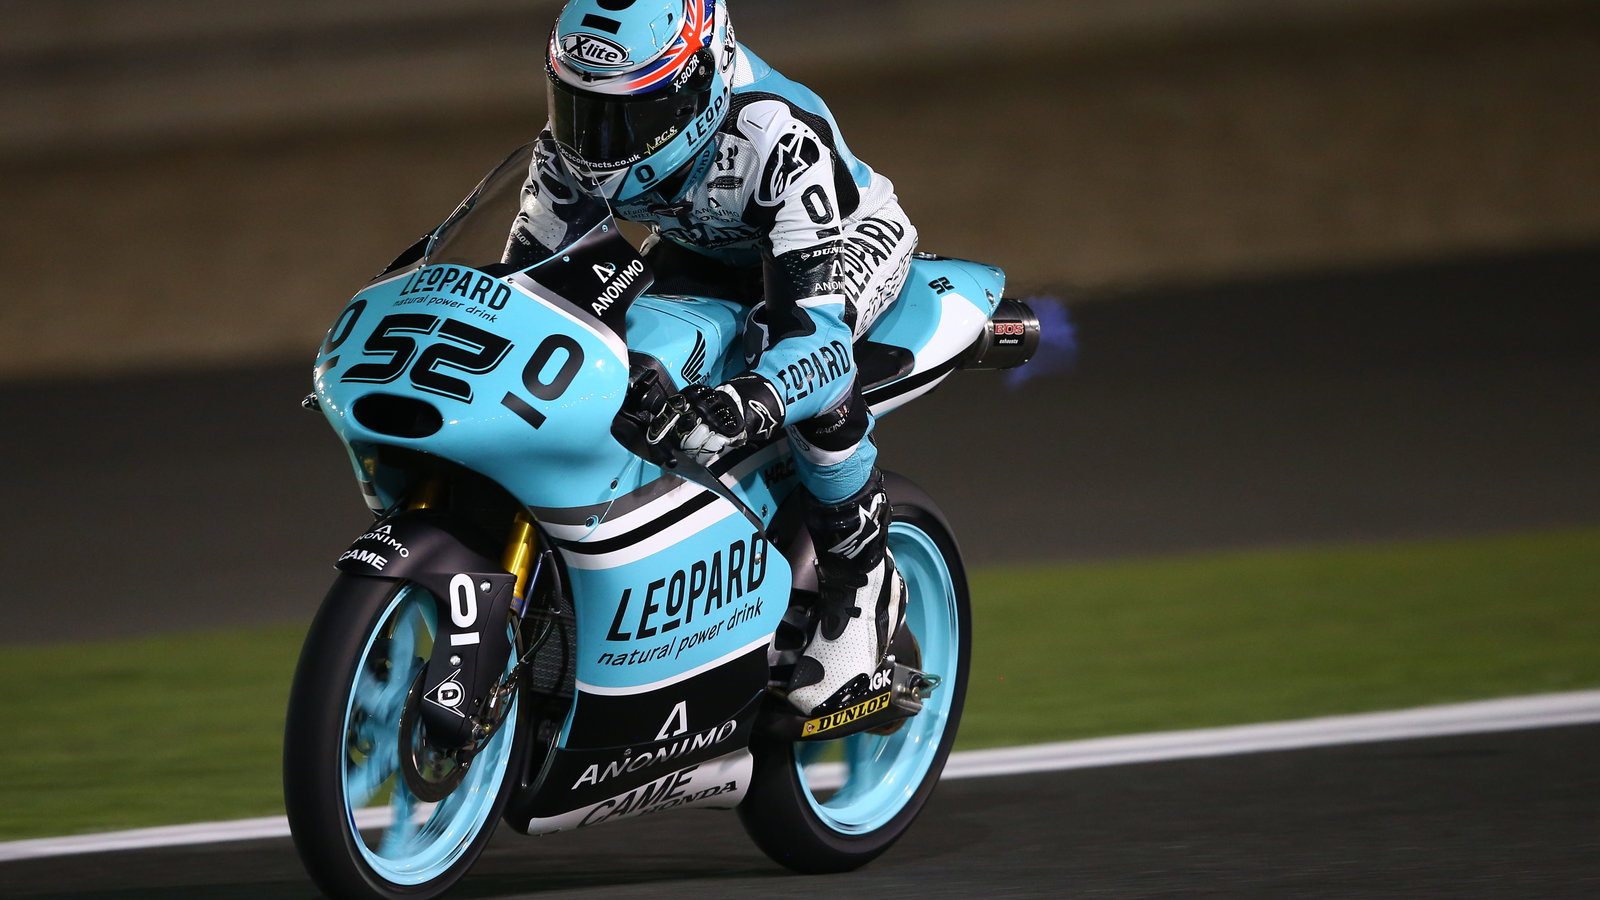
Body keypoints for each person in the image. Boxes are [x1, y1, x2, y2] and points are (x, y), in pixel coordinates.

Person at [511, 0, 918, 719]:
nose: (595, 142)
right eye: (578, 109)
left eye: (627, 117)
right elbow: (526, 293)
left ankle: (863, 584)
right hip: (705, 247)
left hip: (842, 242)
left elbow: (819, 345)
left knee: (798, 372)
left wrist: (748, 402)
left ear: (698, 85)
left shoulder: (777, 139)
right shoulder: (567, 153)